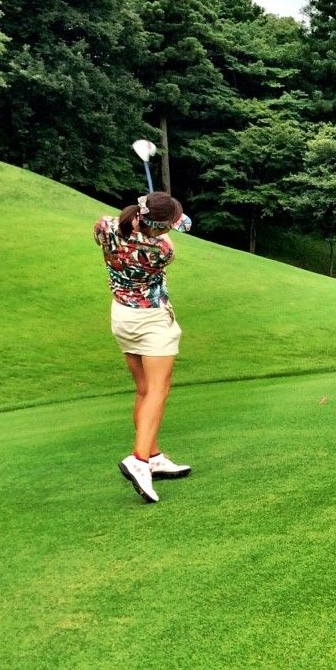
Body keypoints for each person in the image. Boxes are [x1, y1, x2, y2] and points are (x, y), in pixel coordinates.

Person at [93, 192, 193, 504]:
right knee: (158, 390)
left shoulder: (105, 226)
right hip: (151, 320)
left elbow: (126, 225)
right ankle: (139, 459)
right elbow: (171, 231)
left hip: (122, 316)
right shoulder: (163, 249)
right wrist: (164, 222)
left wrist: (152, 213)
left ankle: (153, 454)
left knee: (143, 389)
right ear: (161, 226)